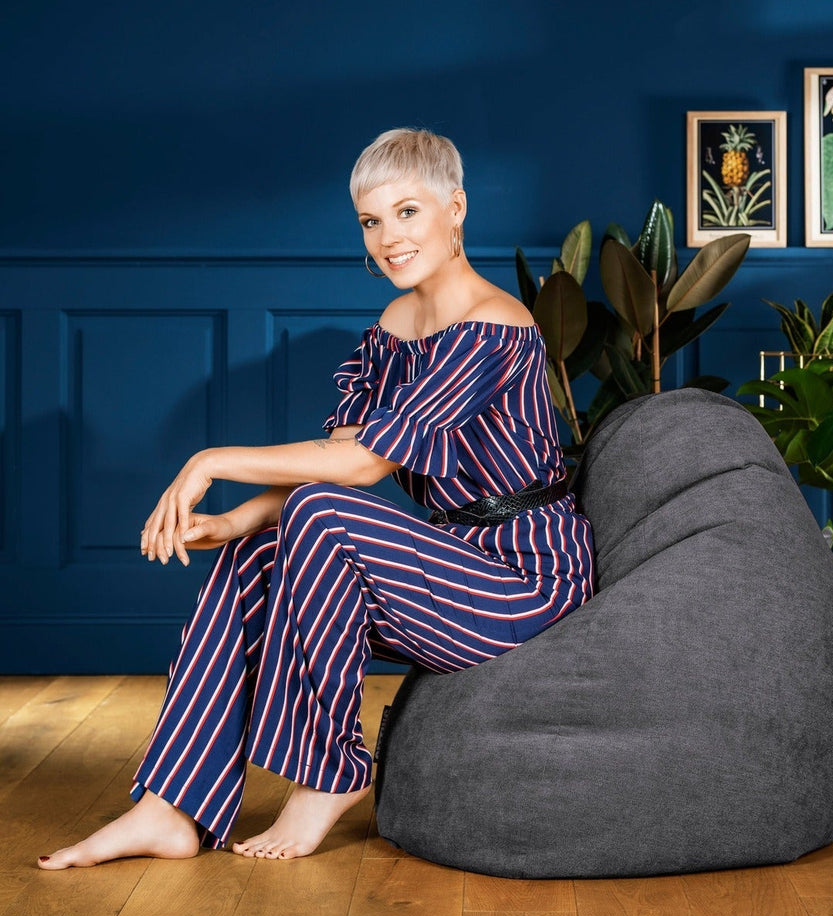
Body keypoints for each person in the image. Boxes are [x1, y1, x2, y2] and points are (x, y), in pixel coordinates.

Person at [37, 128, 595, 868]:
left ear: (455, 209)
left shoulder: (495, 327)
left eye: (407, 212)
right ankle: (170, 806)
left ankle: (333, 774)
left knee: (320, 514)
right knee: (259, 550)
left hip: (524, 580)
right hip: (451, 564)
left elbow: (360, 466)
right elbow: (333, 460)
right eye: (371, 221)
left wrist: (210, 459)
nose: (388, 239)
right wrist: (233, 520)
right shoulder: (393, 331)